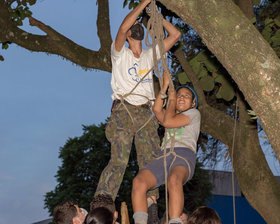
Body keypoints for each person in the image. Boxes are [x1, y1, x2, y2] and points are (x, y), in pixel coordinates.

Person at [94, 0, 181, 209]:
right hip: (123, 110)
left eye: (139, 25)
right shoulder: (119, 53)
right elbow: (123, 27)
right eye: (134, 27)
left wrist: (156, 17)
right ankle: (103, 204)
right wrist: (144, 3)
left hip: (146, 114)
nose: (136, 26)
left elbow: (176, 35)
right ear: (129, 36)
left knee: (150, 161)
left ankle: (151, 206)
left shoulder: (149, 55)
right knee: (119, 160)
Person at [131, 71, 201, 224]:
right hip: (164, 156)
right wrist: (164, 87)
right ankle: (140, 221)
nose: (181, 97)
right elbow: (157, 110)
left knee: (174, 179)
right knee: (139, 181)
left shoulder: (194, 114)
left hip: (183, 154)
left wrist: (172, 98)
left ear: (193, 103)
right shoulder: (171, 114)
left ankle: (175, 221)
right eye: (179, 95)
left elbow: (168, 122)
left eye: (186, 96)